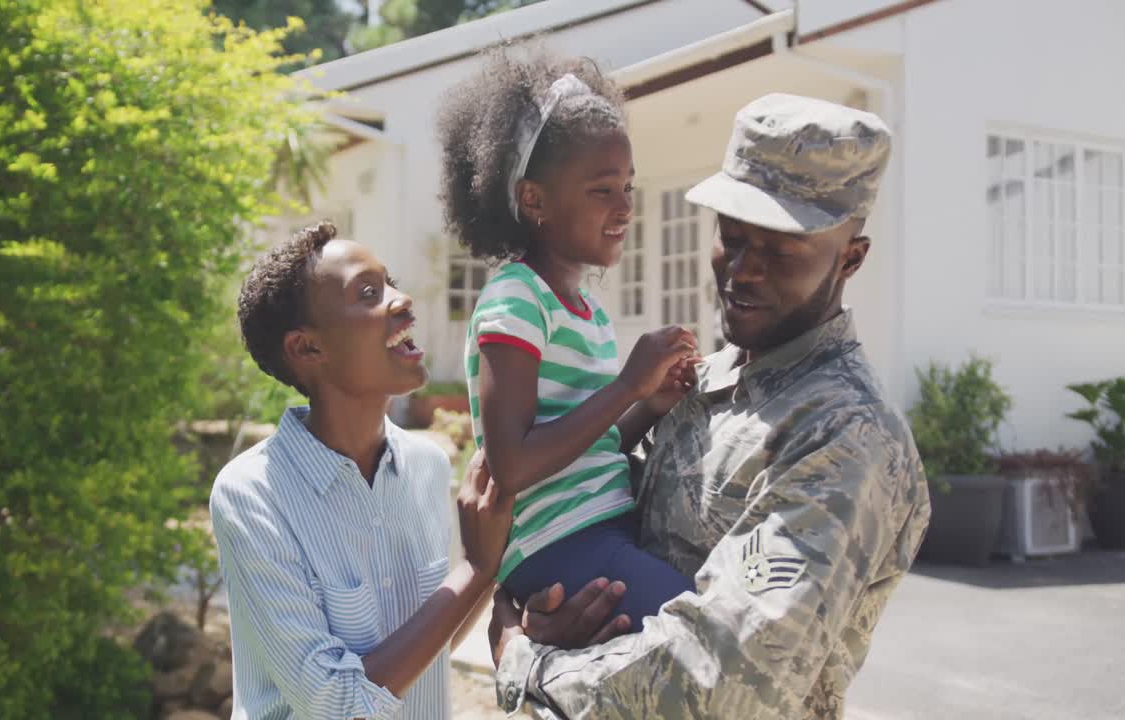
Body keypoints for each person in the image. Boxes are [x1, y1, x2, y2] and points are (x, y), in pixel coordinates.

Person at [488, 93, 932, 720]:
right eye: (731, 235)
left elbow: (725, 673)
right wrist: (549, 609)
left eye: (781, 250)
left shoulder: (844, 433)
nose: (743, 271)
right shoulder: (700, 382)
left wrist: (527, 663)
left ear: (850, 259)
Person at [435, 47, 700, 633]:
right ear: (535, 201)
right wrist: (628, 383)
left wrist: (648, 403)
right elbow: (513, 463)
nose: (625, 206)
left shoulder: (588, 313)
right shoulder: (515, 300)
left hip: (598, 530)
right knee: (706, 631)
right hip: (558, 547)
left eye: (628, 186)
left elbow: (589, 445)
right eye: (602, 190)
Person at [209, 221, 512, 719]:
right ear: (307, 349)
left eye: (390, 282)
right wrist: (477, 568)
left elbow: (433, 639)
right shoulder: (251, 494)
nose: (402, 300)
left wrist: (490, 570)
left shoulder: (428, 465)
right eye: (369, 293)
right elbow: (339, 705)